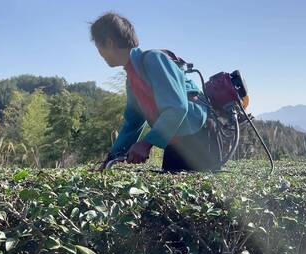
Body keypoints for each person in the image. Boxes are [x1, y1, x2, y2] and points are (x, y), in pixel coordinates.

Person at [91, 12, 220, 172]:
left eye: (98, 46)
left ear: (109, 43)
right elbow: (132, 123)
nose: (99, 53)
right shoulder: (132, 79)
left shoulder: (154, 59)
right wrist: (110, 159)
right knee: (174, 191)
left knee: (200, 192)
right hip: (176, 141)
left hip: (198, 134)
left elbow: (177, 108)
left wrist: (146, 143)